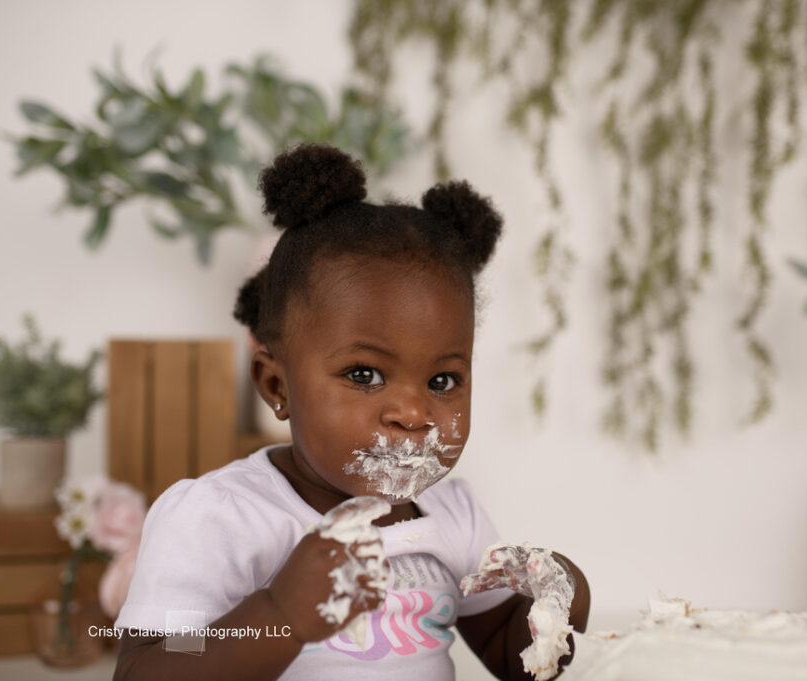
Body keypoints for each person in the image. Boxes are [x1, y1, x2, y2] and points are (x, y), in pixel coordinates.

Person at [112, 144, 590, 681]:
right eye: (364, 374)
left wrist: (559, 602)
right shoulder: (219, 520)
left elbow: (514, 658)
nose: (413, 412)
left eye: (443, 380)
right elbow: (145, 671)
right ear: (277, 384)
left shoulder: (453, 518)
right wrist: (278, 617)